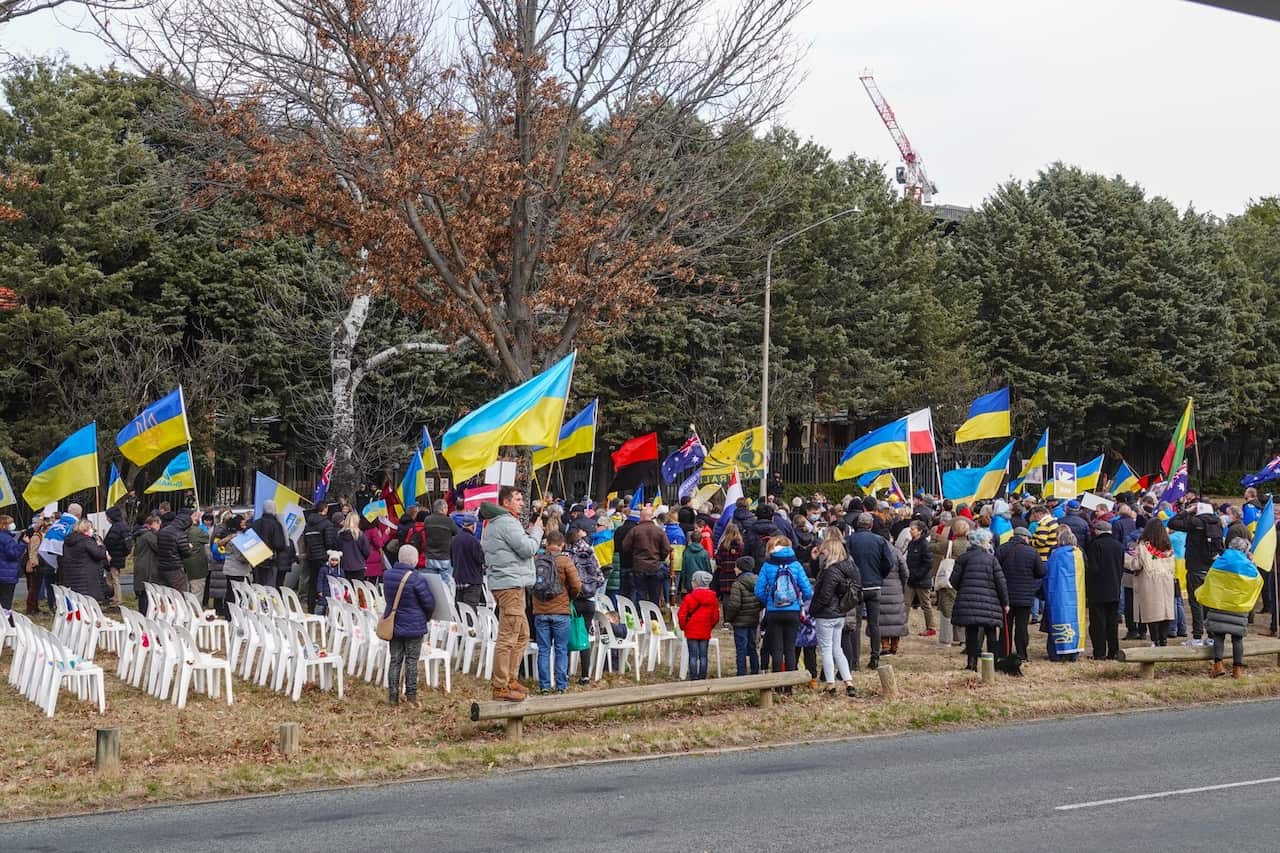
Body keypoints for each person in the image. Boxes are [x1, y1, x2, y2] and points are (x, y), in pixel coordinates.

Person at [481, 486, 543, 701]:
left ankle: (511, 679)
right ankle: (501, 686)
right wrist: (537, 531)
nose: (522, 503)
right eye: (517, 499)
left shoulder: (497, 523)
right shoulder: (507, 522)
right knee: (508, 637)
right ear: (506, 503)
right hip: (510, 586)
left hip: (510, 583)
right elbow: (527, 549)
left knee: (523, 634)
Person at [1199, 537, 1262, 678]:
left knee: (1219, 636)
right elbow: (1258, 581)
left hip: (1220, 604)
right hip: (1238, 606)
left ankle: (1218, 666)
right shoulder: (1248, 565)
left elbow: (1209, 579)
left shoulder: (1220, 561)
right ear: (1245, 550)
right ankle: (1237, 670)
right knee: (1237, 638)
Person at [381, 544, 435, 705]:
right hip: (414, 624)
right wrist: (426, 617)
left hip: (394, 623)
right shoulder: (417, 578)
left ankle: (393, 696)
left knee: (395, 660)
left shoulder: (388, 575)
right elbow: (429, 603)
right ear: (414, 560)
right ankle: (411, 696)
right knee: (412, 660)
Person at [949, 527, 1009, 671]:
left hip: (968, 599)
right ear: (983, 542)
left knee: (971, 633)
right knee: (991, 633)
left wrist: (964, 588)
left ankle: (972, 663)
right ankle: (992, 664)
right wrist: (1005, 602)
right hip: (990, 601)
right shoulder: (991, 559)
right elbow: (1001, 582)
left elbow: (953, 580)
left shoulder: (963, 558)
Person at [754, 536, 814, 679]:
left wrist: (769, 601)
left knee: (776, 648)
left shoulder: (768, 565)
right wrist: (798, 601)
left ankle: (777, 683)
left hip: (774, 611)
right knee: (790, 648)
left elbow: (758, 590)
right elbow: (807, 591)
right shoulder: (796, 564)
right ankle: (790, 684)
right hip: (793, 611)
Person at [808, 533, 859, 697]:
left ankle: (830, 684)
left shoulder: (831, 571)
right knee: (838, 649)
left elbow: (824, 595)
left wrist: (813, 610)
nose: (822, 554)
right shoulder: (849, 568)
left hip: (826, 614)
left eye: (824, 552)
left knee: (826, 649)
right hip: (840, 613)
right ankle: (848, 682)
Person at [531, 530, 582, 693]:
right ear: (562, 545)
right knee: (561, 649)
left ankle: (544, 686)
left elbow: (530, 584)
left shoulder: (536, 560)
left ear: (546, 544)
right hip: (561, 612)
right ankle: (561, 685)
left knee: (544, 650)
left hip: (540, 611)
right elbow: (576, 585)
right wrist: (569, 598)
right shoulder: (565, 561)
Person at [1169, 502, 1225, 646]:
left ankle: (1197, 636)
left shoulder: (1195, 522)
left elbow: (1172, 523)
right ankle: (1211, 635)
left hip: (1195, 568)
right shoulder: (1218, 523)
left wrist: (1187, 511)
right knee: (1209, 603)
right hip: (1211, 569)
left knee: (1195, 603)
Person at [846, 512, 896, 669]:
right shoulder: (880, 540)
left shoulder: (850, 540)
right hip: (874, 585)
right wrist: (880, 575)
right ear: (871, 525)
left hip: (856, 586)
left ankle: (854, 661)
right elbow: (889, 562)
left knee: (856, 624)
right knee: (874, 624)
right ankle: (875, 657)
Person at [996, 527, 1045, 662]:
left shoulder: (1002, 549)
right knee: (1022, 627)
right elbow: (1041, 572)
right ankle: (1022, 654)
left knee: (1006, 626)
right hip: (1025, 596)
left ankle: (1003, 653)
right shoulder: (1031, 552)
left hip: (1006, 595)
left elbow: (995, 570)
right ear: (1024, 537)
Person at [1127, 518, 1176, 647]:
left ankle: (1155, 639)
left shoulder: (1143, 546)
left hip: (1150, 580)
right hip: (1166, 580)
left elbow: (1137, 565)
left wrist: (1128, 560)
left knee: (1152, 612)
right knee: (1165, 611)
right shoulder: (1168, 547)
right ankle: (1163, 639)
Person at [567, 528, 605, 685]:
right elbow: (601, 578)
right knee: (584, 637)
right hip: (589, 600)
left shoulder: (569, 554)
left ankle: (566, 672)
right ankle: (585, 675)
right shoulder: (591, 552)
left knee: (568, 635)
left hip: (574, 600)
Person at [1084, 519, 1126, 660]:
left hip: (1098, 590)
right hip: (1114, 588)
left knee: (1098, 623)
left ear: (1097, 531)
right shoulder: (1119, 546)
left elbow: (1093, 568)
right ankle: (1113, 651)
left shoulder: (1095, 545)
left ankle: (1099, 652)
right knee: (1112, 623)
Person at [931, 517, 971, 647]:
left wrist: (935, 537)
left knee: (947, 608)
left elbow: (931, 547)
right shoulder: (971, 546)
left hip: (949, 578)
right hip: (966, 579)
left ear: (953, 530)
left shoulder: (949, 544)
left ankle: (945, 639)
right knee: (963, 608)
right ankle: (963, 638)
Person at [621, 506, 670, 605]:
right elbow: (666, 548)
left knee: (640, 595)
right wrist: (660, 558)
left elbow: (625, 547)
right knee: (654, 596)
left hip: (639, 566)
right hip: (655, 567)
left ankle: (641, 617)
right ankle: (653, 617)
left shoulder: (635, 530)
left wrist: (634, 556)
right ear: (651, 517)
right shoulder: (659, 531)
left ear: (641, 517)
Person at [723, 555, 762, 675]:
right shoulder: (759, 582)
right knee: (752, 646)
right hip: (753, 620)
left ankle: (742, 673)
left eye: (736, 567)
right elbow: (762, 600)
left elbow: (734, 605)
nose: (734, 569)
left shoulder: (737, 584)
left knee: (741, 648)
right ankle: (755, 670)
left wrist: (729, 618)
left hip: (740, 622)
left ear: (740, 569)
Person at [677, 570, 719, 680]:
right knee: (703, 656)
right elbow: (715, 617)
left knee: (693, 656)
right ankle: (702, 676)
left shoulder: (689, 598)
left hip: (691, 631)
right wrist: (710, 626)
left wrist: (683, 627)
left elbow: (682, 615)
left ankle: (694, 677)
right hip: (705, 630)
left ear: (695, 582)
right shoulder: (713, 598)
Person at [61, 518, 108, 601]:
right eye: (91, 528)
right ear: (85, 529)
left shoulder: (68, 541)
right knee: (88, 602)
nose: (93, 530)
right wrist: (101, 545)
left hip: (73, 576)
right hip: (87, 577)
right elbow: (99, 554)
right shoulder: (87, 541)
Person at [302, 506, 339, 610]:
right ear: (326, 509)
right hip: (323, 557)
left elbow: (305, 541)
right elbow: (329, 542)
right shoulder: (327, 524)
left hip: (311, 557)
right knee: (325, 582)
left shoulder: (307, 525)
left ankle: (311, 608)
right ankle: (324, 608)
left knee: (313, 582)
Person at [213, 513, 250, 617]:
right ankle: (231, 615)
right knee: (234, 594)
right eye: (243, 522)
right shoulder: (237, 538)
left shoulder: (233, 536)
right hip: (236, 570)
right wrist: (251, 557)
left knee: (231, 593)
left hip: (232, 569)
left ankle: (229, 613)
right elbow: (240, 557)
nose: (245, 524)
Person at [904, 521, 936, 636]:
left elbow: (928, 563)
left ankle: (931, 627)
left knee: (925, 604)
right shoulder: (911, 543)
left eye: (913, 529)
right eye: (911, 528)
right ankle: (902, 626)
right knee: (906, 603)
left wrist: (917, 575)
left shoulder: (924, 545)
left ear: (920, 531)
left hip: (922, 579)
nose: (910, 531)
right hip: (911, 579)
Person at [451, 513, 487, 608]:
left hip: (458, 580)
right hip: (472, 580)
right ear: (473, 525)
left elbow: (451, 560)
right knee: (470, 612)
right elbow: (481, 559)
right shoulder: (473, 541)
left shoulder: (454, 539)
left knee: (460, 611)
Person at [251, 501, 291, 588]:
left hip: (255, 558)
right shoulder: (276, 524)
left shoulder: (255, 523)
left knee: (257, 584)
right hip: (270, 560)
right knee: (269, 585)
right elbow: (279, 544)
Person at [157, 507, 196, 592]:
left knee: (166, 594)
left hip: (162, 567)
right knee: (180, 594)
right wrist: (189, 547)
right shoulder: (180, 534)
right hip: (175, 568)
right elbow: (186, 553)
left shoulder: (163, 530)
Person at [422, 498, 456, 586]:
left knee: (431, 585)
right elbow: (457, 533)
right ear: (443, 509)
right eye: (447, 508)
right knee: (446, 585)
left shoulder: (427, 520)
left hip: (430, 556)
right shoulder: (448, 521)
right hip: (444, 556)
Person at [102, 506, 131, 605]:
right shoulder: (123, 525)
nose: (107, 519)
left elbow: (110, 542)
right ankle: (114, 596)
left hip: (114, 555)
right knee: (113, 577)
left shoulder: (116, 527)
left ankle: (117, 598)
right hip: (120, 555)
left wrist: (103, 545)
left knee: (114, 578)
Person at [183, 511, 211, 604]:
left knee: (186, 592)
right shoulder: (198, 531)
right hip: (198, 567)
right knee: (197, 592)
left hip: (185, 565)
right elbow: (207, 537)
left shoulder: (182, 531)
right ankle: (196, 613)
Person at [0, 514, 26, 614]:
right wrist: (23, 544)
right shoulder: (6, 538)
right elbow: (13, 554)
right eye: (10, 523)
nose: (13, 525)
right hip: (7, 575)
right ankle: (6, 624)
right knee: (6, 603)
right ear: (4, 525)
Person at [713, 522, 745, 600]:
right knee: (736, 598)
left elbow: (718, 560)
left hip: (725, 575)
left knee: (726, 598)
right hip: (737, 575)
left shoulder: (723, 545)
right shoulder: (741, 546)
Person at [679, 527, 714, 597]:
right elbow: (708, 568)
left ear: (691, 539)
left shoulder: (686, 552)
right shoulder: (705, 553)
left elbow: (684, 568)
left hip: (690, 581)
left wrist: (684, 582)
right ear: (701, 540)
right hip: (702, 581)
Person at [337, 512, 371, 584]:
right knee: (359, 589)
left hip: (344, 565)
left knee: (347, 589)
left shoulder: (340, 535)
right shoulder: (360, 535)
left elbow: (338, 548)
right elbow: (367, 551)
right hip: (358, 565)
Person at [363, 517, 390, 584]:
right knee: (373, 583)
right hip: (374, 559)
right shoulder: (373, 530)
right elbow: (379, 544)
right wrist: (386, 534)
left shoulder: (363, 530)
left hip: (365, 558)